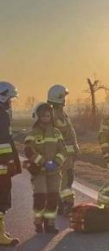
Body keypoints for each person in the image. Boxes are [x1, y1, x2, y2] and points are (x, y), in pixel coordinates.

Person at [24, 103, 67, 233]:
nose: (46, 118)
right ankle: (38, 222)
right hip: (39, 172)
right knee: (40, 197)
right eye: (43, 116)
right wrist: (43, 162)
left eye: (48, 116)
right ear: (38, 117)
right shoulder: (33, 133)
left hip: (54, 172)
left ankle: (50, 224)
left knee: (53, 198)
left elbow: (63, 150)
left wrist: (56, 162)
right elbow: (28, 151)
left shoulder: (56, 133)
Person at [48, 84, 79, 215]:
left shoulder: (62, 114)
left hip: (68, 155)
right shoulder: (52, 115)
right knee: (65, 179)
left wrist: (75, 147)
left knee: (68, 178)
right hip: (61, 155)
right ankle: (65, 204)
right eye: (63, 97)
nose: (65, 99)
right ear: (58, 97)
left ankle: (63, 204)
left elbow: (70, 132)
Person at [0, 82, 22, 246]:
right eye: (10, 99)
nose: (11, 102)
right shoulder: (2, 115)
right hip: (1, 164)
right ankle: (0, 236)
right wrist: (10, 161)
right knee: (2, 197)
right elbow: (3, 142)